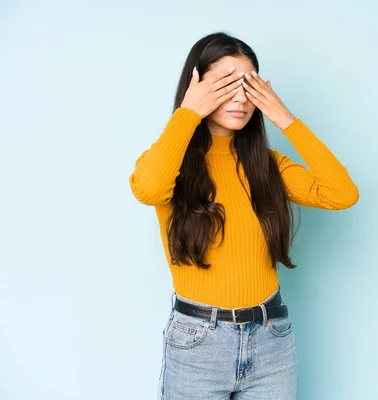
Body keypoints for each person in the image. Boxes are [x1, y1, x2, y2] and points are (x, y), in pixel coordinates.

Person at [129, 31, 359, 400]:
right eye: (225, 84)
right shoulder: (169, 163)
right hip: (198, 342)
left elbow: (342, 193)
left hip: (272, 340)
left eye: (249, 85)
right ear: (198, 87)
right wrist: (188, 113)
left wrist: (285, 118)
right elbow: (149, 189)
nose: (240, 97)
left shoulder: (267, 166)